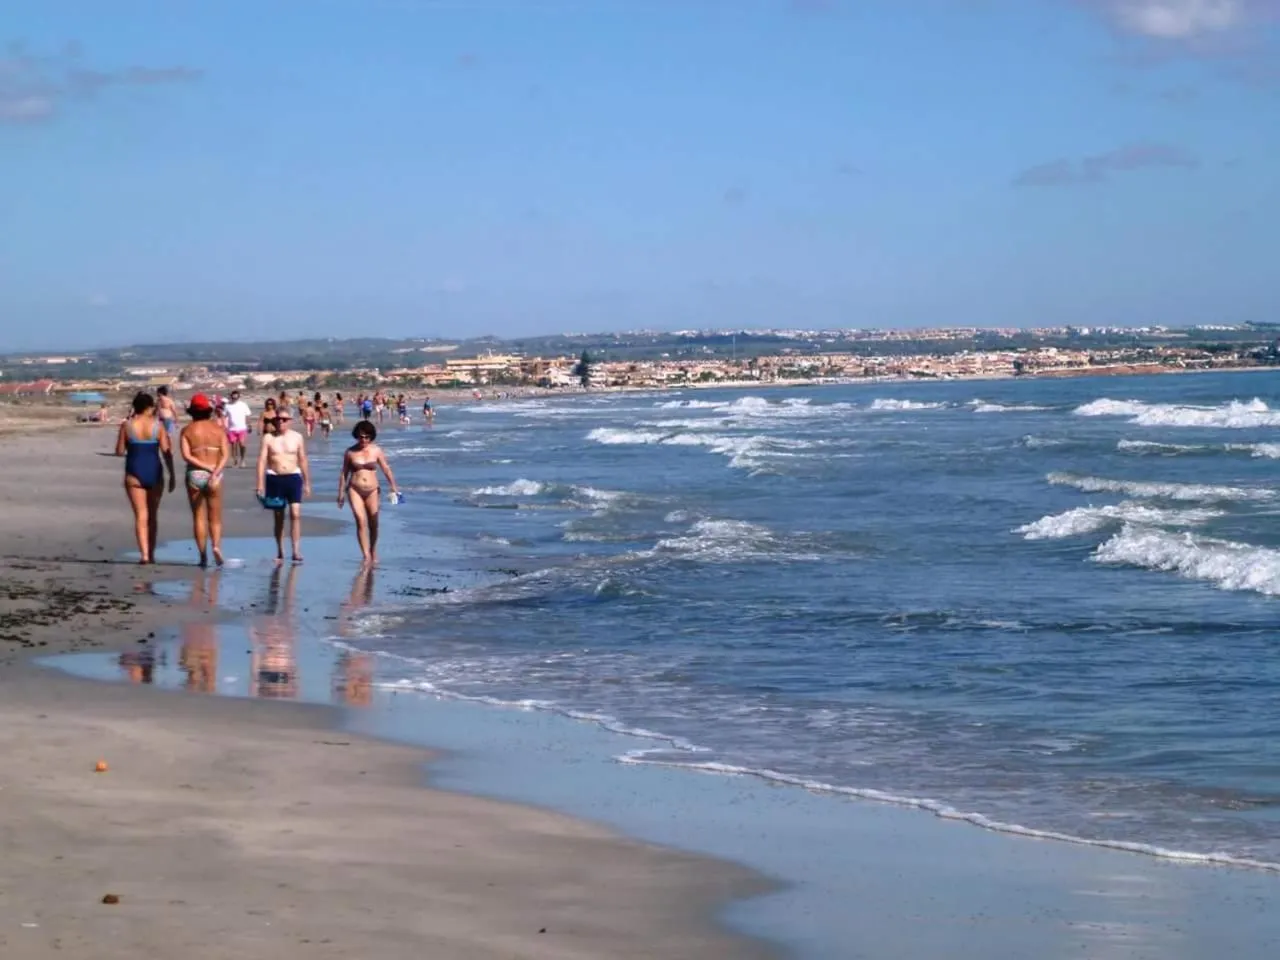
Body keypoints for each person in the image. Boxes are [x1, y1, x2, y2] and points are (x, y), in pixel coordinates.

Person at [115, 391, 175, 564]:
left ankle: (144, 555)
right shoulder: (158, 426)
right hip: (154, 471)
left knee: (140, 516)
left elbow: (119, 451)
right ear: (149, 407)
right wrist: (171, 475)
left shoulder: (127, 425)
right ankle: (152, 553)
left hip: (134, 471)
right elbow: (166, 453)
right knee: (152, 516)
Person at [337, 420, 399, 564]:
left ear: (371, 437)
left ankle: (372, 549)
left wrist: (393, 486)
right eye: (361, 436)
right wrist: (340, 493)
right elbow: (344, 473)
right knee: (360, 520)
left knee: (374, 521)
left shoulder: (376, 450)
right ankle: (365, 555)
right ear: (356, 436)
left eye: (366, 437)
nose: (363, 440)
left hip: (372, 490)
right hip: (354, 489)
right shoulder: (350, 452)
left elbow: (386, 468)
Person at [179, 393, 230, 568]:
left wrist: (203, 467)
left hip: (195, 474)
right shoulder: (218, 429)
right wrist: (215, 470)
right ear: (208, 411)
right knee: (215, 518)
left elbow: (186, 456)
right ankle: (216, 546)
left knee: (198, 517)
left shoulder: (187, 430)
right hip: (215, 474)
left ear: (192, 412)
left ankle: (202, 556)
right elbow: (225, 454)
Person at [257, 408, 311, 564]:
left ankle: (296, 550)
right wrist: (260, 483)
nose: (281, 421)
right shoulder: (268, 438)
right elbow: (262, 460)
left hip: (294, 477)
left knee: (295, 514)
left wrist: (307, 482)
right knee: (279, 516)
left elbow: (303, 459)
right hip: (274, 478)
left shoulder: (297, 437)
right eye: (278, 419)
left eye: (285, 419)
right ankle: (280, 551)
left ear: (290, 421)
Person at [222, 389, 253, 468]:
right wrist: (223, 426)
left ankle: (242, 460)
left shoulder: (243, 405)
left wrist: (249, 425)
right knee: (233, 445)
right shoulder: (227, 406)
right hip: (231, 429)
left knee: (242, 444)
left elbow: (248, 415)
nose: (235, 397)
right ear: (231, 396)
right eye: (233, 395)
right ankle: (234, 460)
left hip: (242, 428)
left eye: (236, 395)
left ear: (238, 396)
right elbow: (224, 416)